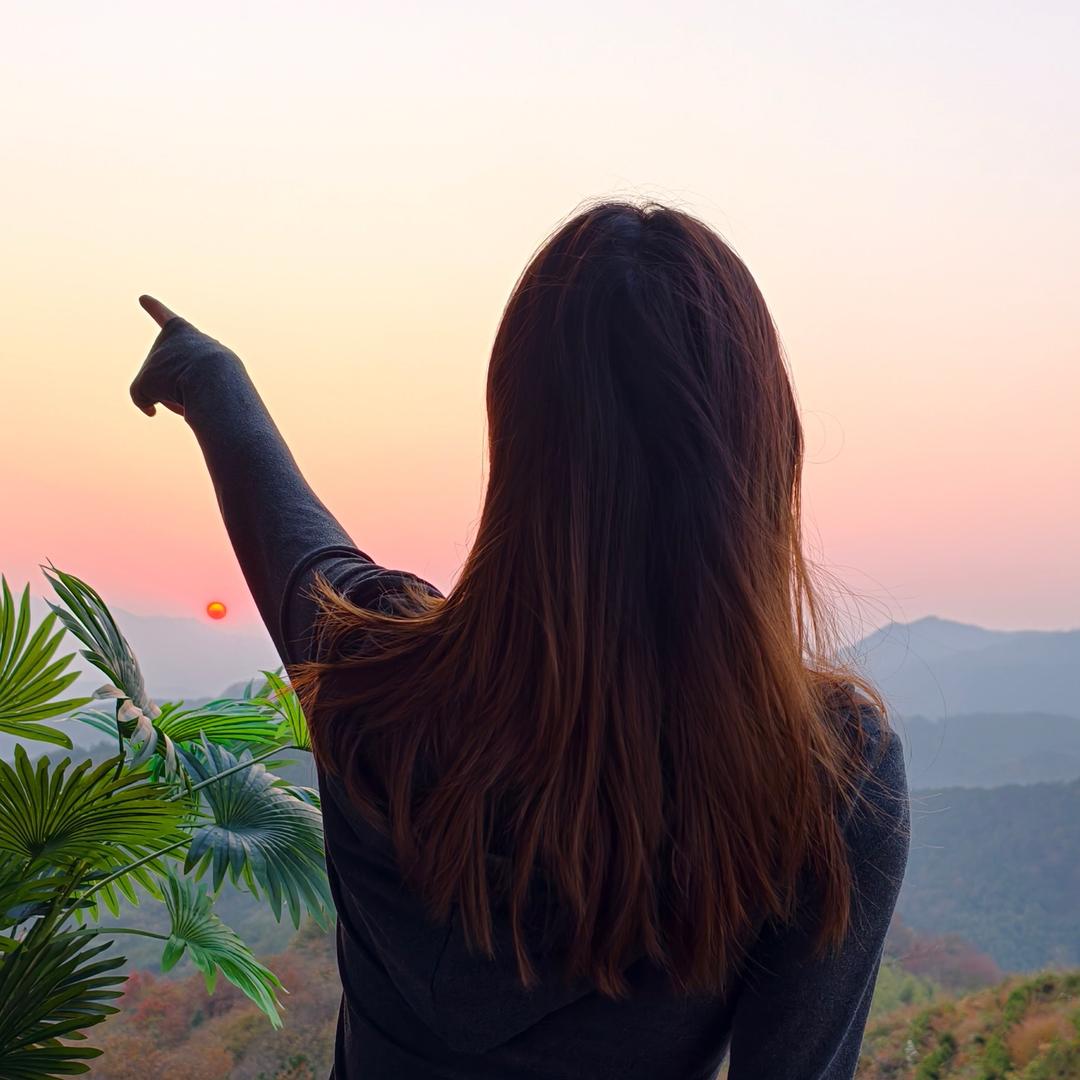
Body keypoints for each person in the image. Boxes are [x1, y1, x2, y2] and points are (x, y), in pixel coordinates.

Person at [130, 198, 909, 1080]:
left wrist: (210, 377)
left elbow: (294, 542)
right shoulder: (821, 774)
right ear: (764, 451)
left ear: (516, 438)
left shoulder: (373, 681)